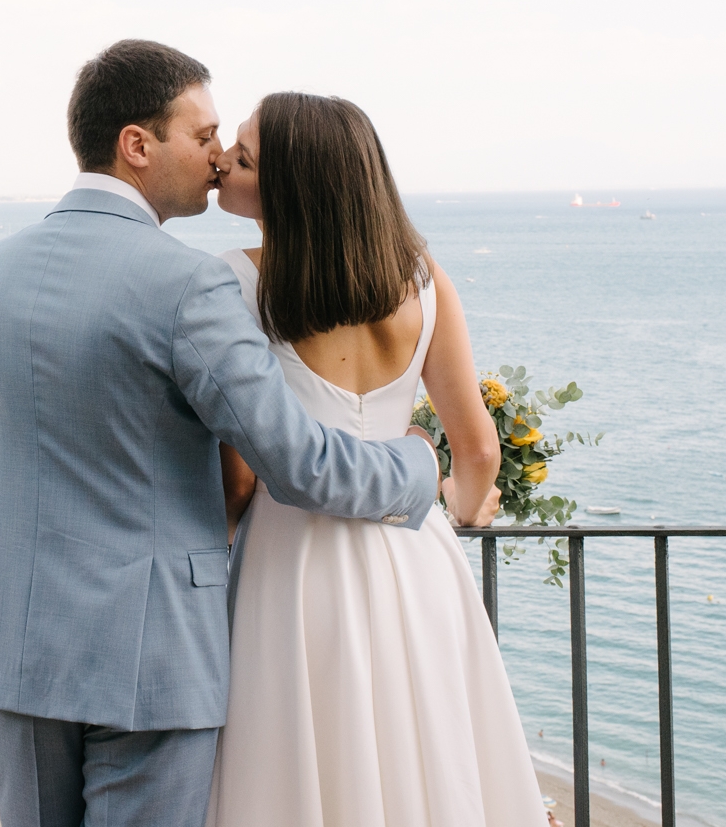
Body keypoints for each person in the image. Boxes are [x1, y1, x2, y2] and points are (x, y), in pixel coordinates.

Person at [0, 41, 439, 827]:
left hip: (18, 642)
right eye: (204, 135)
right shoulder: (188, 284)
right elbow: (296, 461)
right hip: (151, 654)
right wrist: (418, 465)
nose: (219, 158)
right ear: (137, 144)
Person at [205, 92, 543, 826]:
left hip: (290, 560)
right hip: (414, 551)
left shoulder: (232, 279)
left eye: (244, 154)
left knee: (301, 757)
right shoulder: (422, 278)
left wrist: (225, 535)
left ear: (292, 184)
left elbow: (238, 473)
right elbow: (478, 445)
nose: (222, 161)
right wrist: (459, 506)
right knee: (423, 745)